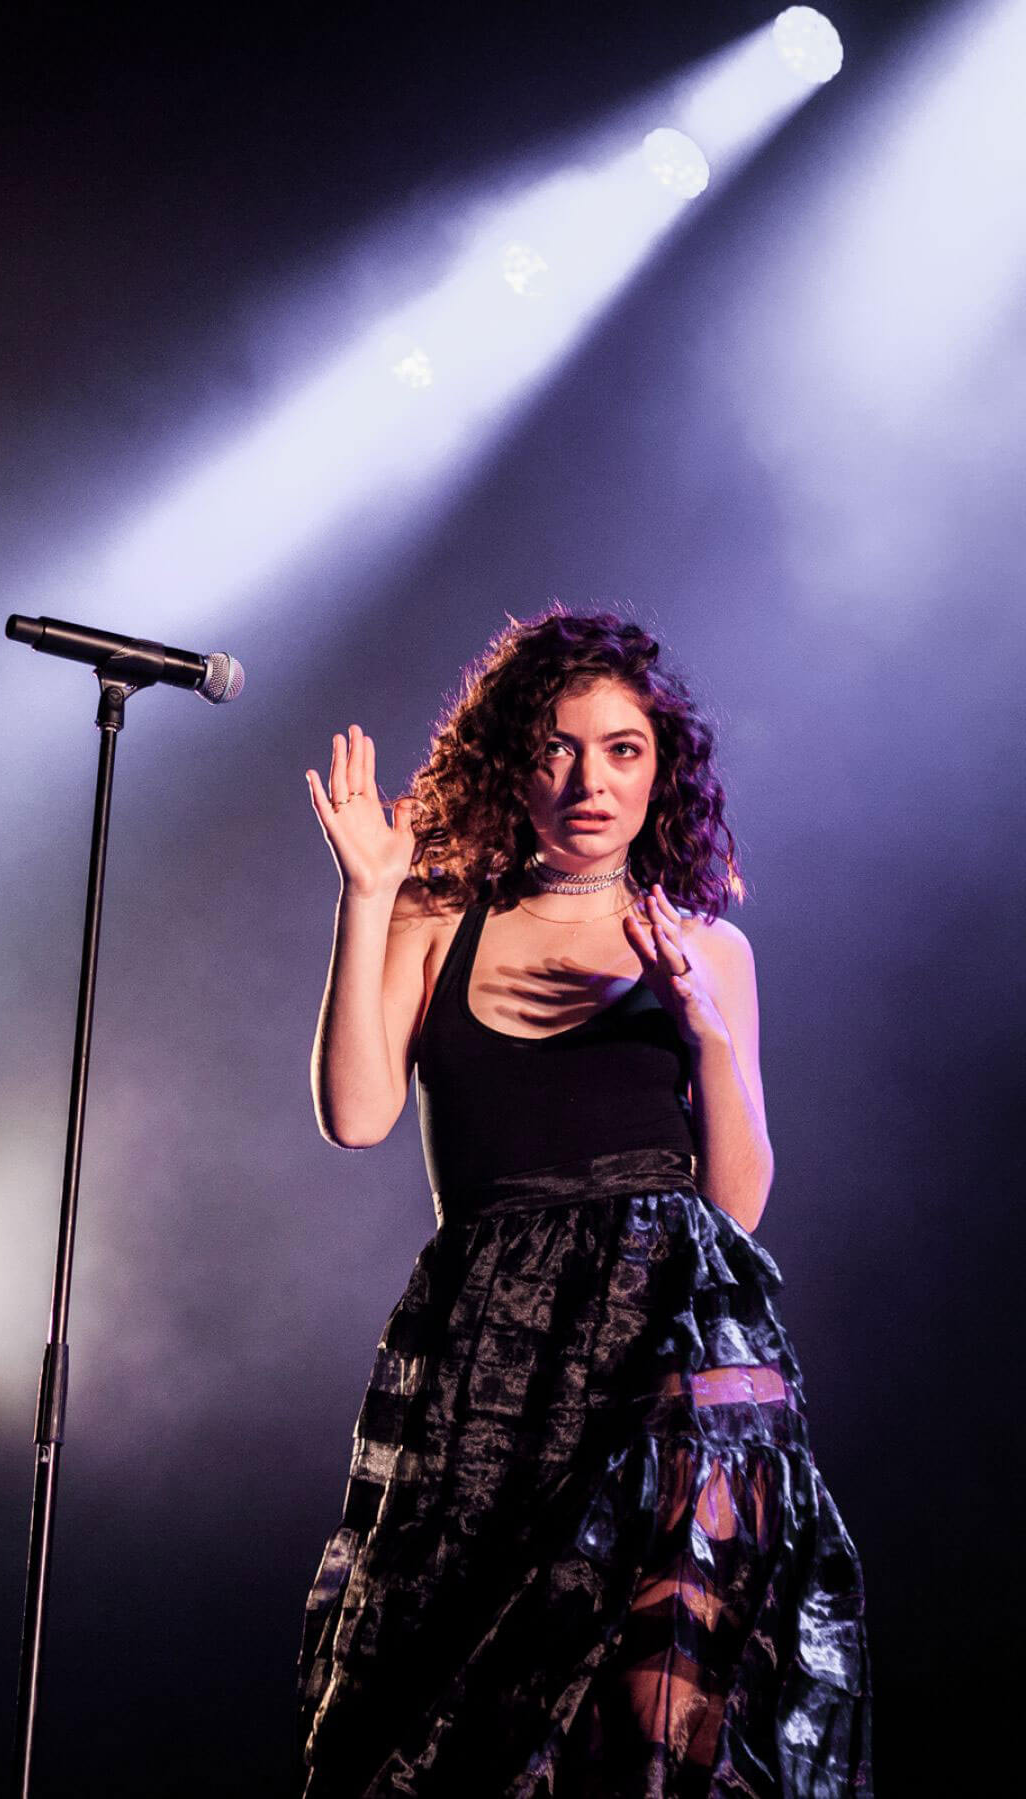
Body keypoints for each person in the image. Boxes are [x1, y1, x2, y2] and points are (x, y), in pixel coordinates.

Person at [297, 607, 873, 1796]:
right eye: (560, 746)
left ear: (662, 770)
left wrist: (706, 1034)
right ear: (515, 760)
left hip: (670, 1343)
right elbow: (356, 1113)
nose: (591, 777)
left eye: (623, 748)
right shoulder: (433, 915)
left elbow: (738, 1205)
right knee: (462, 1704)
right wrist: (366, 895)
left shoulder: (708, 946)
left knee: (659, 1708)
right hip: (496, 1352)